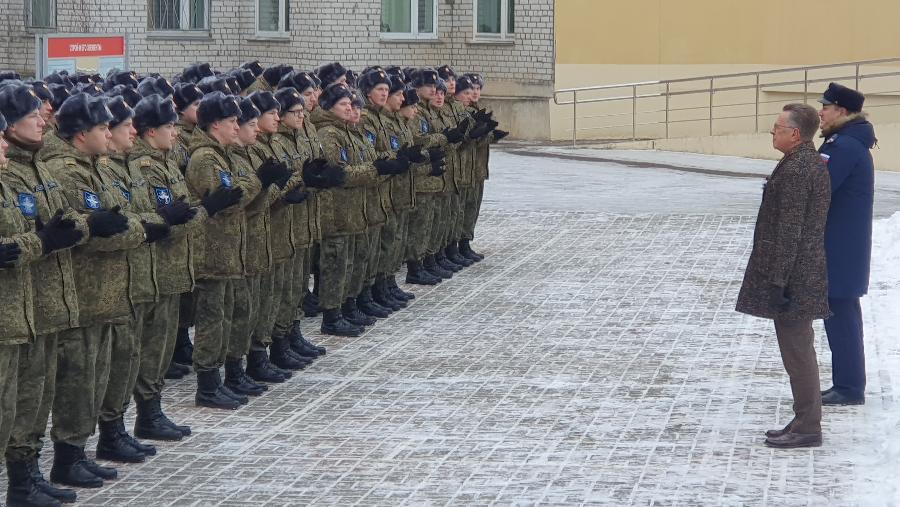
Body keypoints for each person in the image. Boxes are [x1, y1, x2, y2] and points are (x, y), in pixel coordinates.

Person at [43, 92, 146, 487]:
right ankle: (68, 456)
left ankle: (93, 443)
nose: (112, 133)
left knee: (102, 370)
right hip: (85, 293)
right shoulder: (68, 173)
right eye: (104, 127)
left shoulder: (97, 168)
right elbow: (92, 232)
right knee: (79, 377)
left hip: (109, 289)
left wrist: (128, 229)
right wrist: (127, 231)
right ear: (81, 134)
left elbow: (125, 221)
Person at [1, 83, 83, 505]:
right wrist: (42, 242)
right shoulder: (12, 173)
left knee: (33, 397)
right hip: (18, 305)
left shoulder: (38, 168)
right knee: (11, 402)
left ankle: (26, 477)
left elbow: (68, 222)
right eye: (32, 115)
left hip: (37, 304)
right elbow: (18, 241)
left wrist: (71, 232)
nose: (43, 119)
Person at [735, 103, 831, 449]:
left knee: (798, 353)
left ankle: (808, 426)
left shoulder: (798, 169)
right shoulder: (802, 162)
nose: (772, 132)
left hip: (795, 278)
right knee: (798, 350)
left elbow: (790, 231)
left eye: (776, 127)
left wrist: (778, 282)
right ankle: (804, 418)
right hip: (800, 273)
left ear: (794, 134)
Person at [129, 94, 203, 441]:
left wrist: (194, 213)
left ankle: (152, 412)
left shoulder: (165, 160)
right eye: (168, 126)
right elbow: (167, 218)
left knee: (158, 347)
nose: (175, 132)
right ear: (149, 131)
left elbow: (182, 210)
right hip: (154, 271)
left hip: (169, 269)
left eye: (175, 125)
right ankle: (146, 414)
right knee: (150, 347)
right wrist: (196, 213)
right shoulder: (145, 167)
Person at [184, 91, 252, 410]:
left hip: (227, 250)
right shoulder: (205, 158)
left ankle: (223, 378)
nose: (237, 126)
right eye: (231, 121)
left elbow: (241, 193)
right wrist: (255, 187)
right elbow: (226, 201)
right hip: (211, 253)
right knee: (212, 320)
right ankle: (207, 385)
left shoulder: (223, 153)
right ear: (214, 125)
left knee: (225, 316)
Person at [816, 83, 876, 406]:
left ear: (841, 111)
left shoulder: (844, 147)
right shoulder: (847, 142)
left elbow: (820, 188)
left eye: (825, 107)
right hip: (843, 244)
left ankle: (850, 387)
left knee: (841, 314)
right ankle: (847, 383)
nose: (820, 112)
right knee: (841, 312)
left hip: (839, 245)